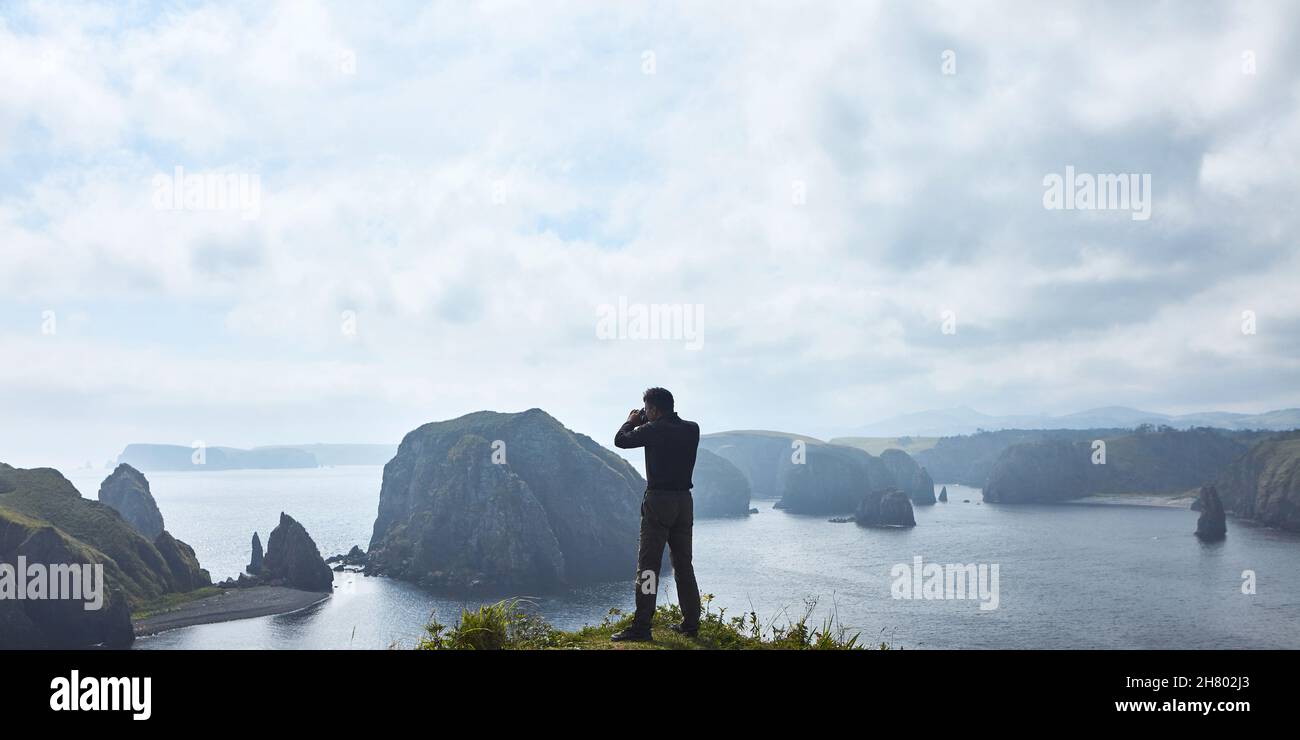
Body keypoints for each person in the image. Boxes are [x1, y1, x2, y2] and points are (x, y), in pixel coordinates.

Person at [610, 387, 701, 642]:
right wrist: (647, 420)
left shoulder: (652, 430)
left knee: (648, 567)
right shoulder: (692, 429)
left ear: (653, 410)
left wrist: (631, 421)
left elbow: (621, 440)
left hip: (659, 502)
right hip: (684, 502)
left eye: (646, 409)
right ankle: (691, 624)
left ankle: (641, 627)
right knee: (683, 565)